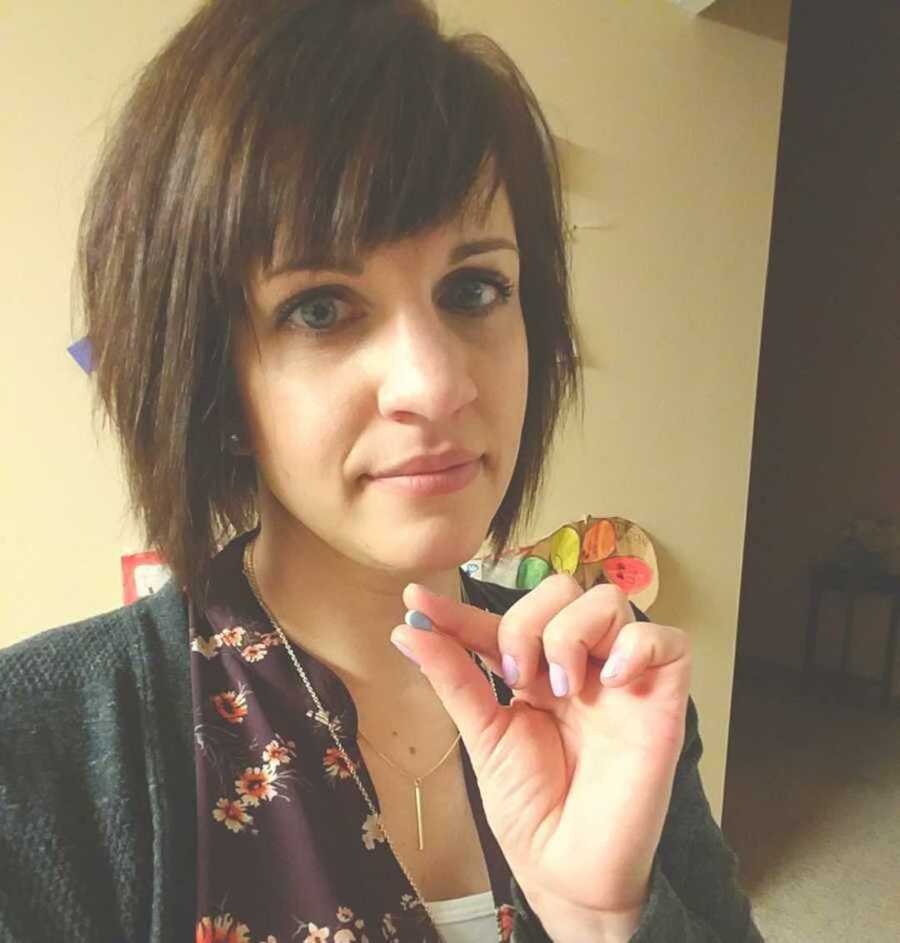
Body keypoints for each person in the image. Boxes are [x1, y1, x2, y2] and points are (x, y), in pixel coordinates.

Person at [0, 1, 764, 941]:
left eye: (474, 289)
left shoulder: (606, 685)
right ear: (212, 373)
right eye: (321, 309)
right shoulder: (40, 751)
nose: (436, 384)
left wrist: (610, 922)